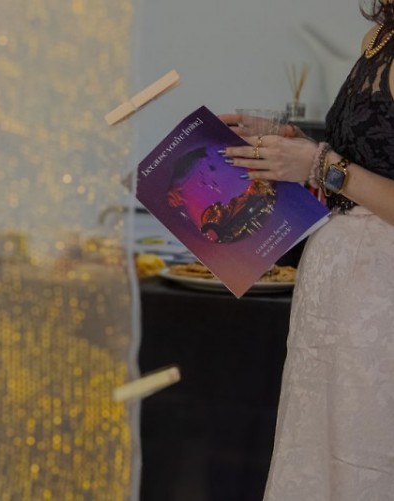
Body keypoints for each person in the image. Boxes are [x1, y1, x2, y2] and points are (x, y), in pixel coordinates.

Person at [218, 1, 394, 499]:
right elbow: (372, 156)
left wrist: (321, 165)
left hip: (382, 302)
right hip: (339, 299)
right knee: (322, 459)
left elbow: (342, 171)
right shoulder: (380, 38)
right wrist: (287, 144)